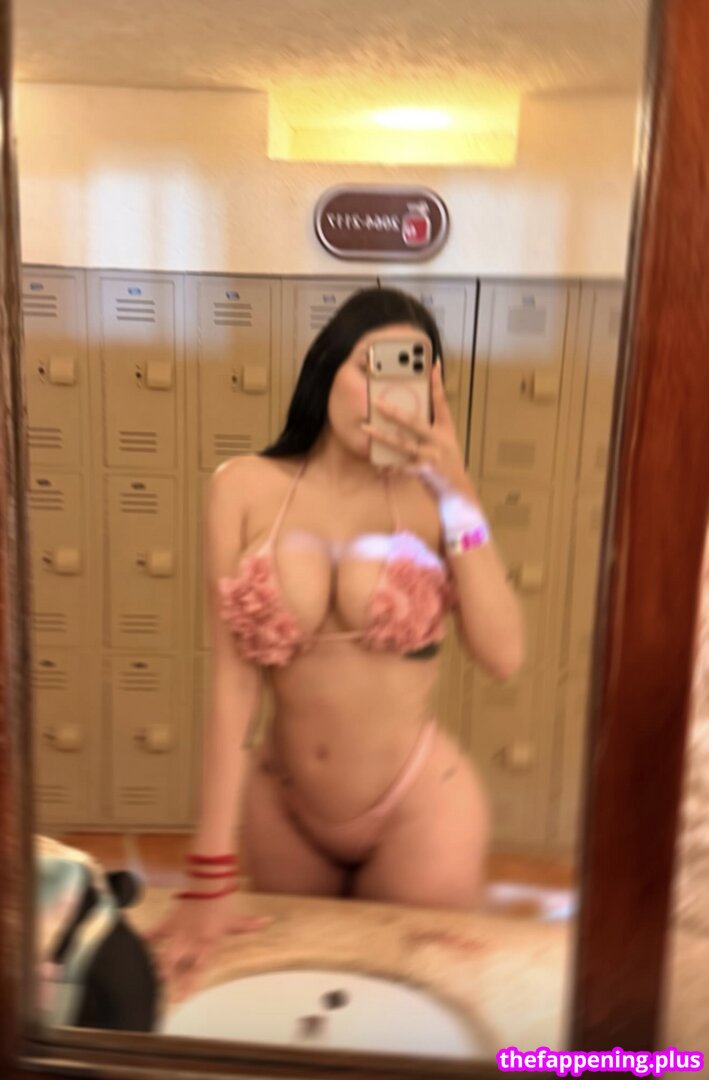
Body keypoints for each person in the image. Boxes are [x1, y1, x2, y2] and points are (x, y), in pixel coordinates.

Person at [150, 287, 524, 998]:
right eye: (370, 366)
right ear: (326, 367)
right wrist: (208, 872)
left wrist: (460, 492)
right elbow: (232, 685)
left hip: (418, 810)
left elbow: (502, 655)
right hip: (284, 808)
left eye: (410, 375)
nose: (386, 394)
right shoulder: (242, 488)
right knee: (293, 1004)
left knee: (407, 1014)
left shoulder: (435, 504)